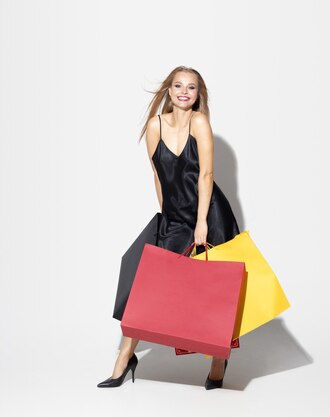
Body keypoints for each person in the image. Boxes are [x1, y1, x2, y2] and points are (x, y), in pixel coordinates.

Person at [97, 66, 240, 390]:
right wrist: (167, 216)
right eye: (178, 86)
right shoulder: (155, 125)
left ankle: (219, 363)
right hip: (174, 215)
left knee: (219, 288)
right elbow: (158, 175)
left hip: (209, 212)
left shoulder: (199, 122)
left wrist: (202, 222)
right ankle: (125, 358)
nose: (184, 92)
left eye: (191, 87)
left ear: (198, 93)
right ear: (169, 90)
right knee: (144, 282)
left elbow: (206, 175)